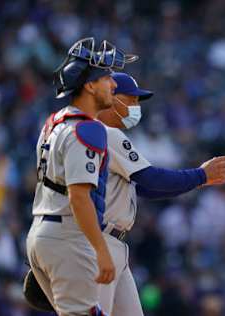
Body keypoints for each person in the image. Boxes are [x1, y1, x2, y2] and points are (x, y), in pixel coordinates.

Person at [95, 72, 225, 315]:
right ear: (112, 98)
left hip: (114, 242)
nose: (136, 107)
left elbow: (145, 188)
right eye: (131, 99)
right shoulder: (105, 133)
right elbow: (151, 178)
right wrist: (201, 175)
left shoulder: (106, 136)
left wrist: (198, 181)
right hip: (100, 241)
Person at [26, 38, 137, 316]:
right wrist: (101, 250)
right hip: (68, 236)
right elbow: (78, 197)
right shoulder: (87, 129)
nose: (113, 84)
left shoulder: (55, 122)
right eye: (107, 77)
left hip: (46, 231)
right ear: (89, 85)